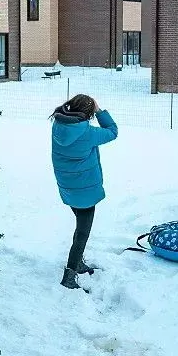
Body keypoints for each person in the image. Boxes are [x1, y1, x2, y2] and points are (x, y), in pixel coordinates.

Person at [50, 94, 118, 291]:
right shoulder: (87, 132)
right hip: (85, 190)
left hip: (67, 186)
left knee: (80, 225)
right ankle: (69, 274)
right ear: (88, 113)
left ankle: (78, 263)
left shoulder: (58, 126)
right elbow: (113, 131)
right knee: (82, 233)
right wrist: (99, 111)